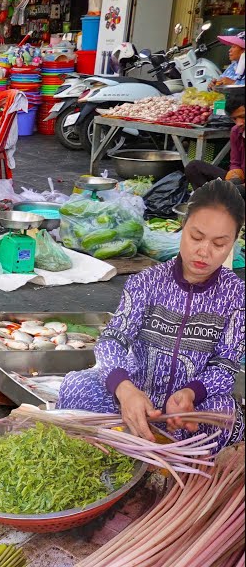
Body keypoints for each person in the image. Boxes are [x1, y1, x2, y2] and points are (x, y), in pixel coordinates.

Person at [58, 180, 244, 452]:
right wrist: (124, 388)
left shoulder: (236, 294)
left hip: (187, 410)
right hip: (133, 395)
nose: (204, 251)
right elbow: (112, 340)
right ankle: (147, 448)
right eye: (196, 236)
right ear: (183, 226)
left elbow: (225, 364)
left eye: (219, 243)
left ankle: (140, 450)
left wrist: (191, 393)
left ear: (235, 240)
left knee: (224, 415)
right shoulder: (146, 281)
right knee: (77, 386)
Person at [185, 94, 244, 194]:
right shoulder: (236, 131)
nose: (239, 123)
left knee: (231, 192)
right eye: (234, 119)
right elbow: (235, 163)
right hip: (241, 181)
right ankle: (208, 203)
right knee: (193, 167)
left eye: (243, 117)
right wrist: (234, 175)